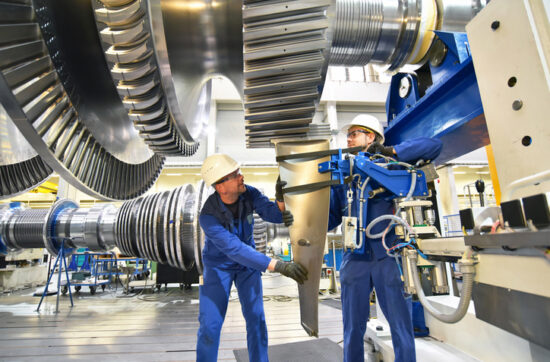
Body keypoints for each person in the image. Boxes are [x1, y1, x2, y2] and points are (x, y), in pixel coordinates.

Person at [329, 114, 443, 362]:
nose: (349, 138)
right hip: (353, 259)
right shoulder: (343, 177)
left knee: (401, 326)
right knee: (352, 329)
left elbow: (435, 146)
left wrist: (391, 151)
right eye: (348, 135)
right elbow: (329, 220)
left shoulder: (389, 168)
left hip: (386, 255)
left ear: (371, 137)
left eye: (354, 133)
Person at [196, 153, 308, 362]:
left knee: (256, 319)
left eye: (239, 172)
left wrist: (281, 199)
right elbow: (234, 249)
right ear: (220, 186)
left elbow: (271, 214)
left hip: (247, 267)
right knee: (210, 325)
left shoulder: (249, 194)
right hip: (219, 267)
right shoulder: (208, 217)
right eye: (235, 174)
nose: (241, 176)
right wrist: (279, 266)